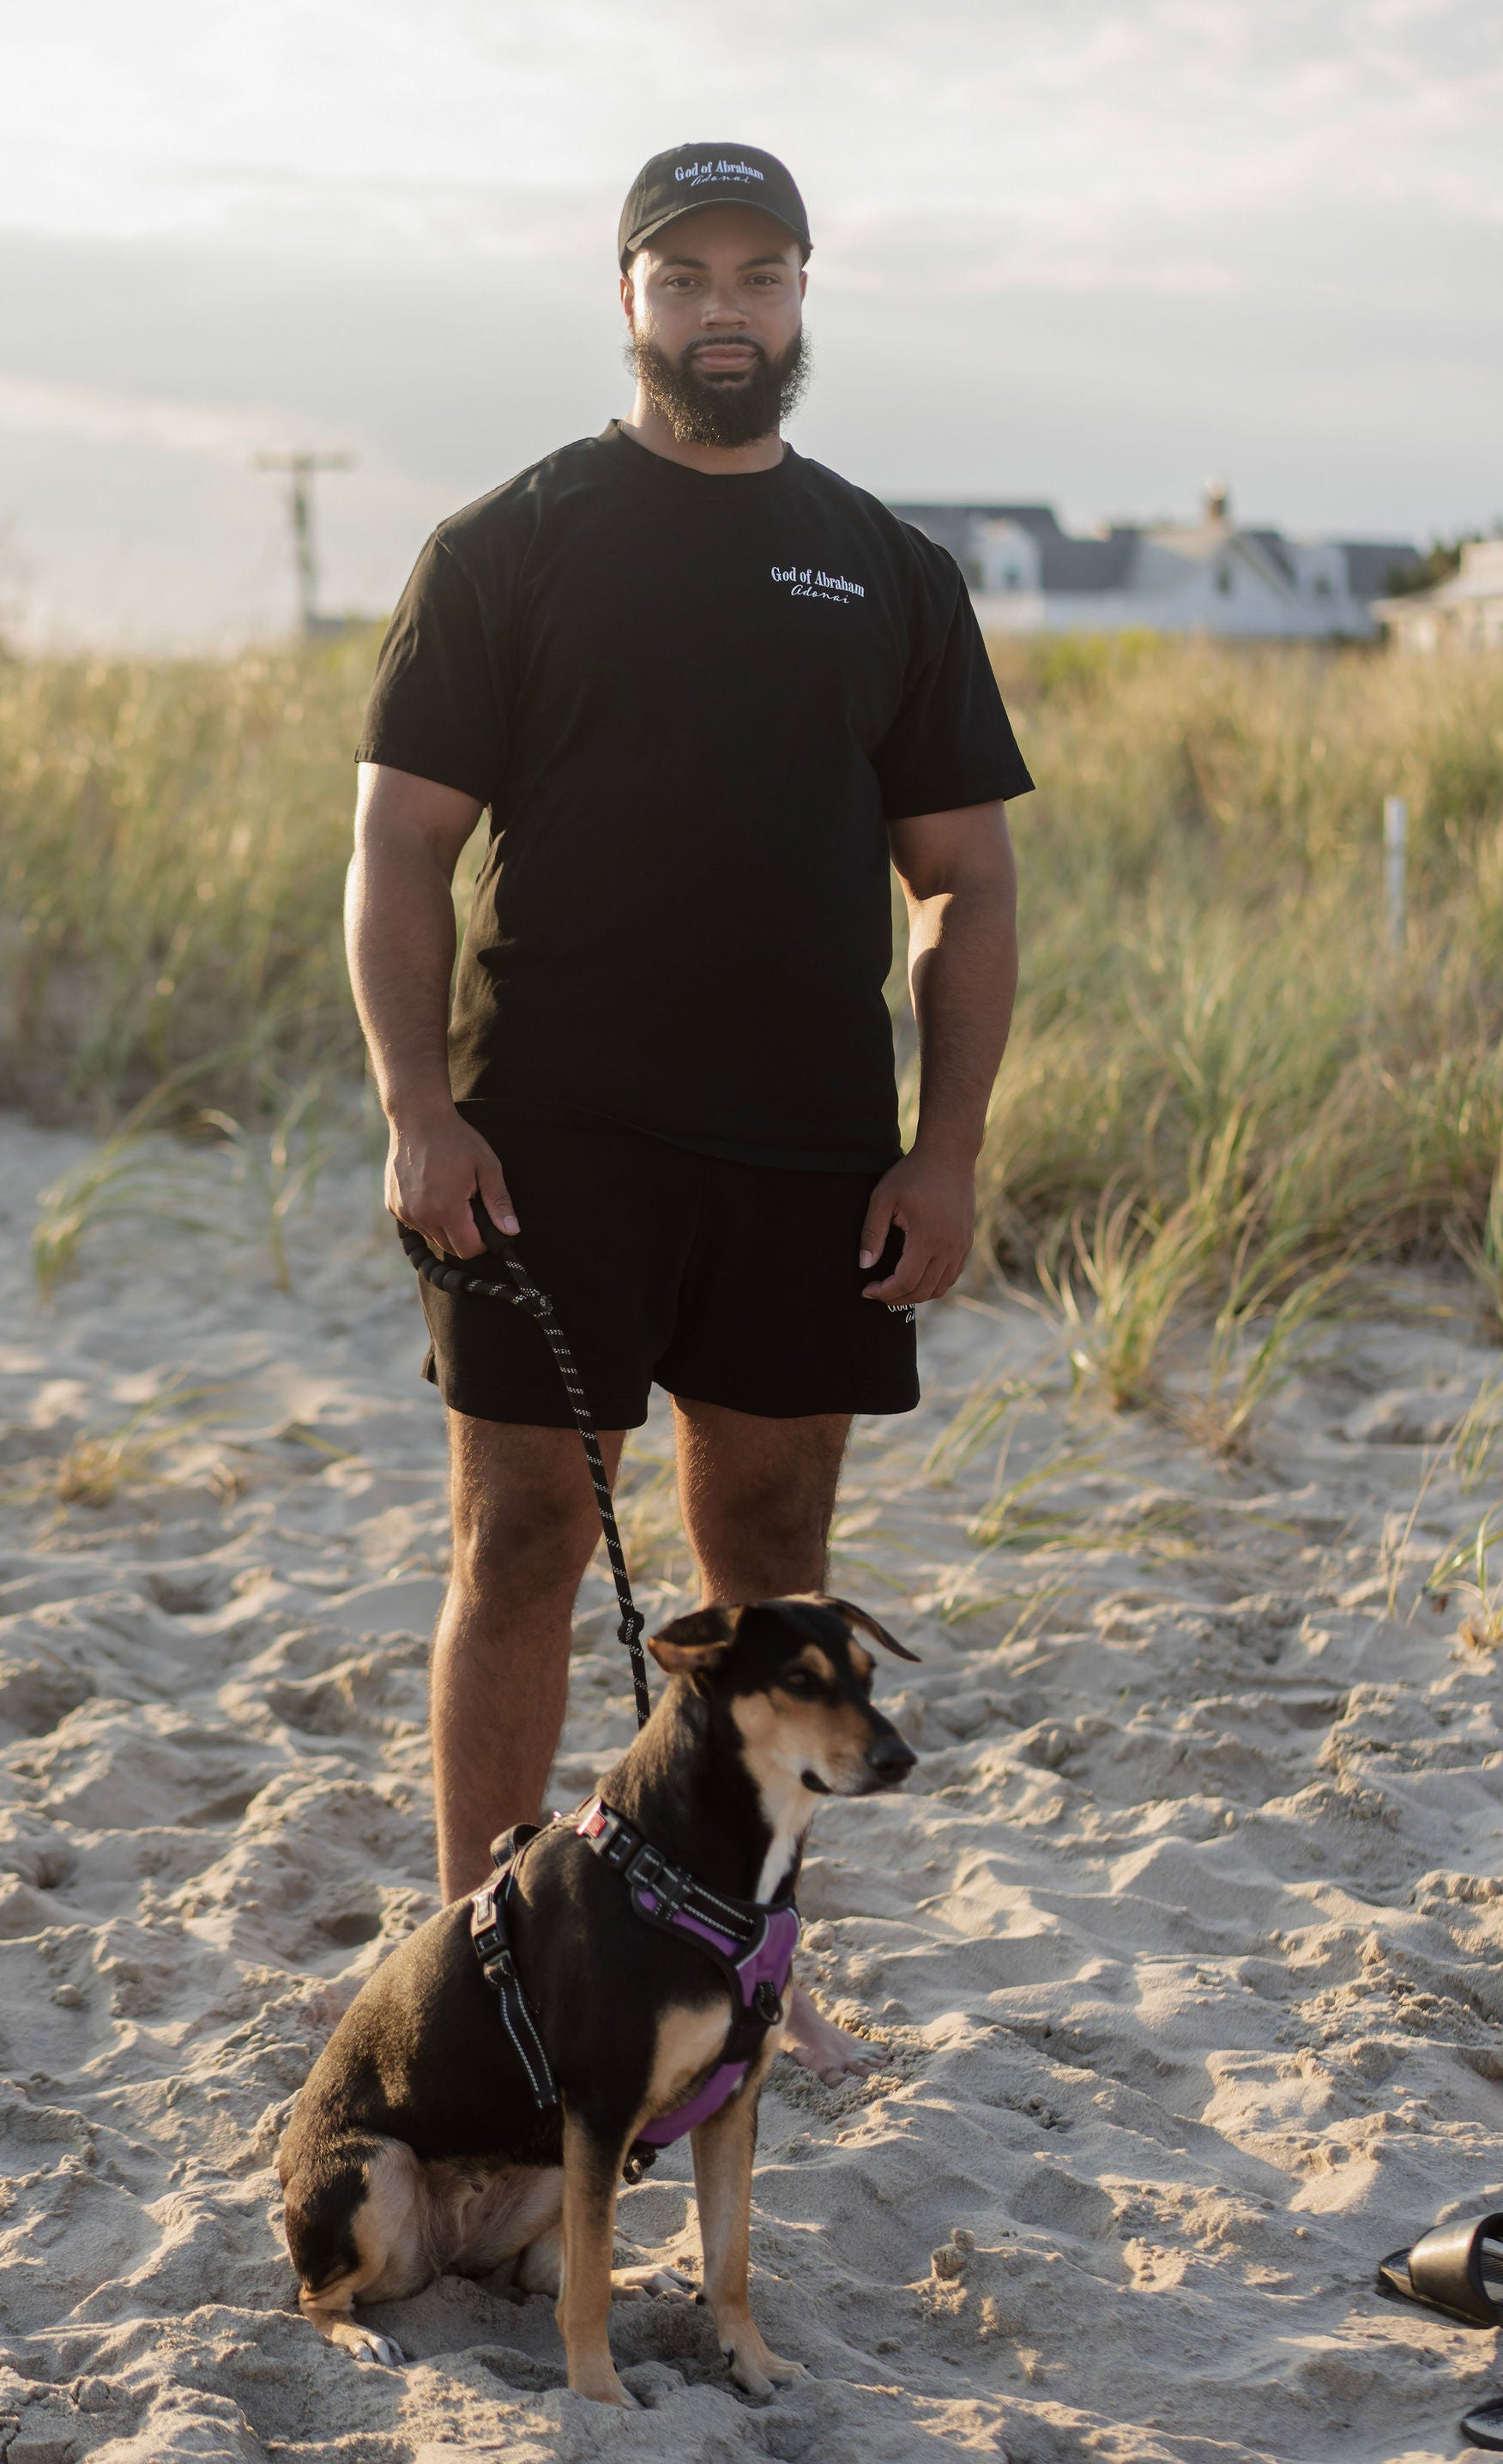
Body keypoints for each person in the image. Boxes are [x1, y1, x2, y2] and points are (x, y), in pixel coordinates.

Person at [346, 142, 1031, 2083]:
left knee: (769, 1560)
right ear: (627, 294)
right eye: (687, 277)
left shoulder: (888, 567)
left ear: (803, 297)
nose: (725, 310)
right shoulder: (511, 542)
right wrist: (421, 1109)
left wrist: (945, 1144)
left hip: (810, 1149)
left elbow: (965, 883)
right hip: (548, 1138)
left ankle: (745, 1958)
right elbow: (400, 847)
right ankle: (490, 1943)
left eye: (763, 275)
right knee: (526, 1541)